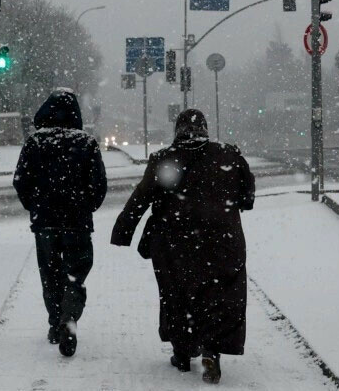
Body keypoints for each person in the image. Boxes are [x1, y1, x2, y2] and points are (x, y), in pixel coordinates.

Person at [110, 109, 255, 385]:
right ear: (205, 129)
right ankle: (212, 349)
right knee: (221, 294)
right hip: (223, 243)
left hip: (175, 243)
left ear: (177, 131)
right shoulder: (228, 155)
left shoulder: (164, 159)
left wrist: (123, 232)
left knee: (176, 294)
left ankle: (183, 351)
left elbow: (140, 198)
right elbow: (247, 196)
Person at [13, 89, 108, 357]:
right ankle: (70, 317)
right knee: (75, 275)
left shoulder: (35, 143)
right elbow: (99, 185)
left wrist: (35, 208)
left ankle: (56, 323)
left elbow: (21, 181)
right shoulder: (87, 143)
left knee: (50, 275)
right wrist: (85, 207)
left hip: (45, 223)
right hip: (76, 223)